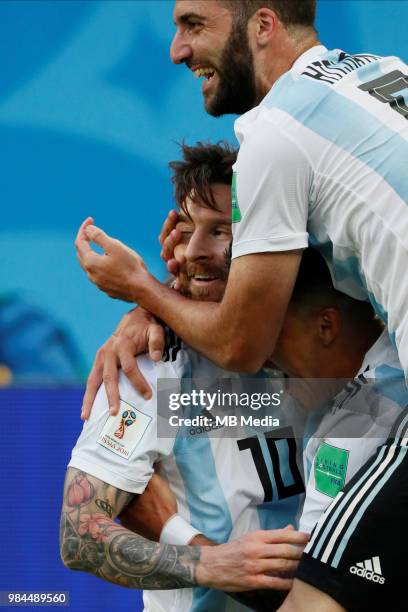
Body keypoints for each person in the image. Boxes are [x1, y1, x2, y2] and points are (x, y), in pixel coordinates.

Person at [74, 2, 408, 609]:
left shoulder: (357, 383)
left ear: (262, 25)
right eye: (187, 230)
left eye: (194, 24)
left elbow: (238, 343)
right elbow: (77, 536)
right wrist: (156, 309)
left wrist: (142, 291)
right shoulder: (384, 77)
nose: (176, 49)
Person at [62, 142, 309, 612]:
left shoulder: (331, 342)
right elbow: (77, 532)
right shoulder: (147, 365)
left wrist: (145, 300)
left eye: (221, 231)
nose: (196, 251)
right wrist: (209, 566)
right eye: (188, 230)